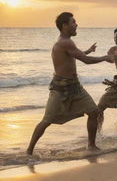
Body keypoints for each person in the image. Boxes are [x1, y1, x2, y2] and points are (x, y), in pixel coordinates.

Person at [27, 12, 112, 155]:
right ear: (64, 25)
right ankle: (29, 151)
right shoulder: (65, 42)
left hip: (75, 87)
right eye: (73, 22)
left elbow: (76, 55)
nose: (76, 24)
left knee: (94, 112)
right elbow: (85, 60)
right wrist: (105, 57)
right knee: (47, 120)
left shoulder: (66, 42)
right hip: (60, 89)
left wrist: (88, 51)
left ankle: (91, 146)